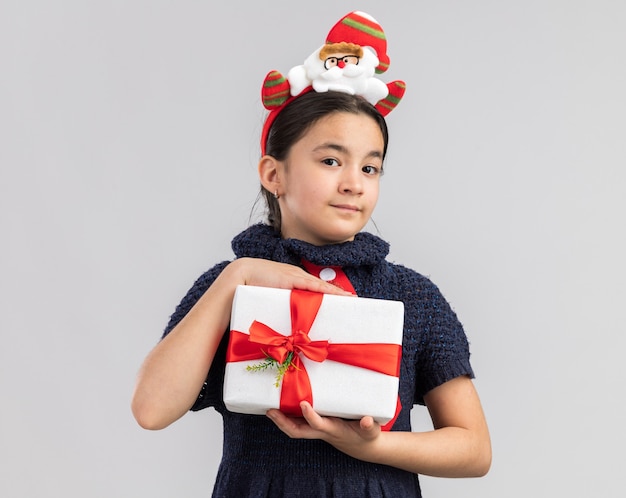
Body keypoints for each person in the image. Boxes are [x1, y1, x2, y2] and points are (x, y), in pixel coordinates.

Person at [131, 11, 491, 497]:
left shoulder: (413, 297)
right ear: (272, 174)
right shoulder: (232, 284)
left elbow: (474, 449)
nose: (352, 183)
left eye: (370, 168)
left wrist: (371, 447)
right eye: (330, 160)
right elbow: (151, 409)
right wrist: (236, 276)